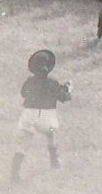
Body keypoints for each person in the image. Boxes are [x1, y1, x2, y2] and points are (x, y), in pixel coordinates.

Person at [10, 49, 72, 182]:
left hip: (29, 114)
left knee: (23, 144)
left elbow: (24, 94)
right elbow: (64, 97)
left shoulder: (29, 81)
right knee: (51, 135)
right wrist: (68, 90)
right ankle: (54, 161)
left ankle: (14, 175)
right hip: (46, 116)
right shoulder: (53, 82)